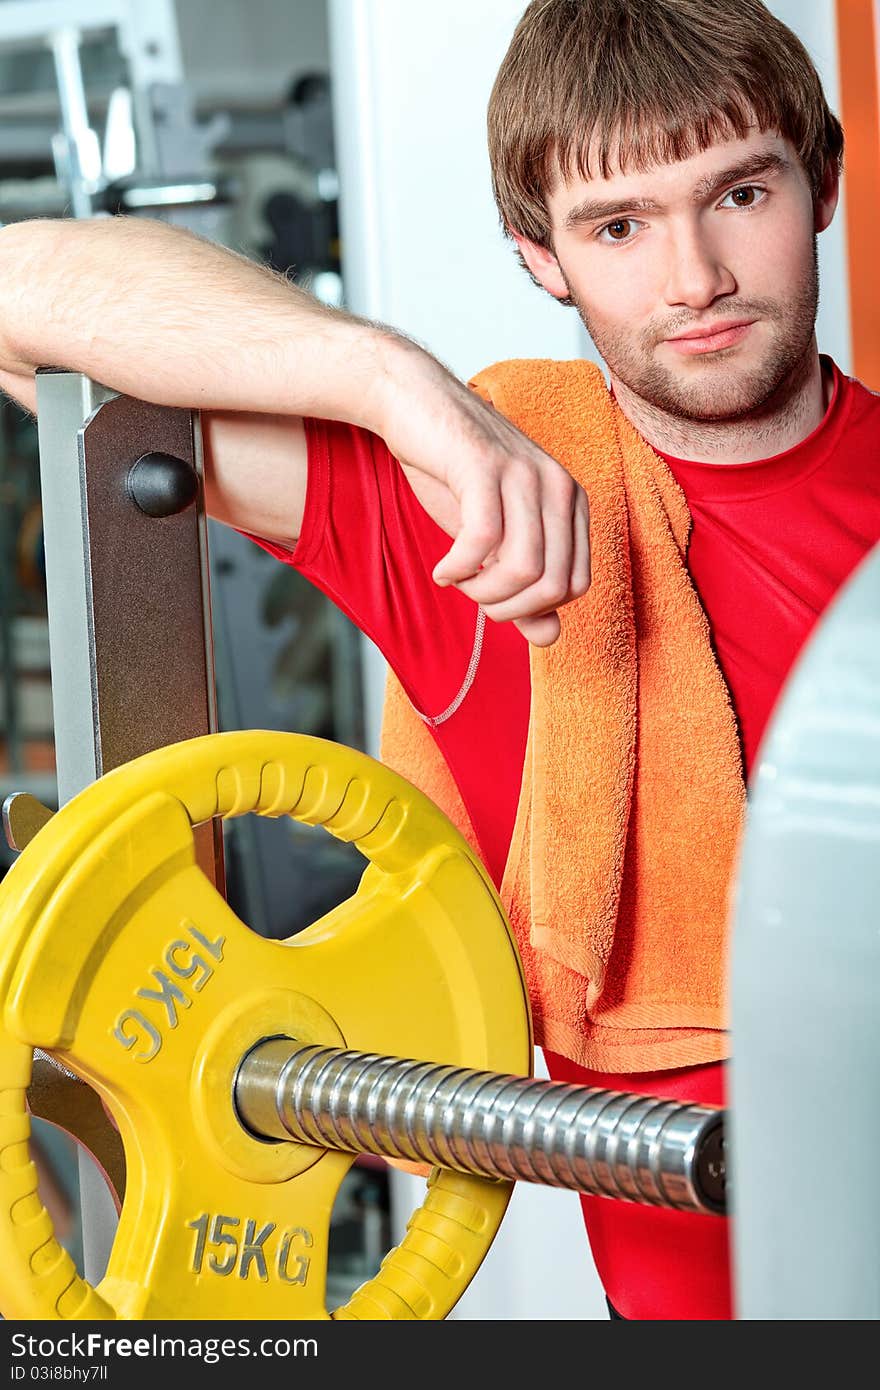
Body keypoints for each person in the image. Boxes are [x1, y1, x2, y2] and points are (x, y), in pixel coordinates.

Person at [0, 0, 878, 1321]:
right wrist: (398, 385)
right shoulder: (471, 508)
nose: (693, 273)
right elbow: (19, 296)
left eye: (737, 191)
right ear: (539, 256)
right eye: (618, 225)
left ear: (819, 182)